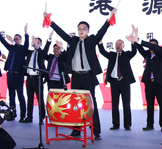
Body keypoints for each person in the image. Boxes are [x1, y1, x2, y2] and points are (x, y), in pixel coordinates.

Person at [49, 9, 117, 140]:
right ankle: (76, 131)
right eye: (79, 28)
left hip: (88, 76)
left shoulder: (92, 40)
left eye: (84, 29)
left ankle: (95, 131)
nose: (81, 31)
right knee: (75, 104)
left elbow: (102, 31)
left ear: (88, 30)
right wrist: (50, 22)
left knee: (91, 103)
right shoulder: (73, 40)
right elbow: (61, 32)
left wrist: (110, 17)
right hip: (76, 76)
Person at [134, 24, 162, 131]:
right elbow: (139, 47)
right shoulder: (146, 54)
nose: (152, 47)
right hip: (149, 83)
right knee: (149, 105)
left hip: (159, 83)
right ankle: (150, 125)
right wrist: (136, 36)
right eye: (150, 45)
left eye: (154, 45)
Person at [99, 37, 138, 130]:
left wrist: (133, 42)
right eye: (116, 44)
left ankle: (127, 124)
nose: (118, 46)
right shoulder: (112, 55)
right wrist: (100, 43)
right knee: (114, 104)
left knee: (126, 104)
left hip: (125, 82)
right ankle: (115, 124)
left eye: (120, 44)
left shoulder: (127, 54)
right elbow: (103, 52)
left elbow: (134, 52)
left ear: (123, 46)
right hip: (114, 82)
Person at [0, 23, 29, 123]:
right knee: (11, 95)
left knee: (20, 95)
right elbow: (4, 42)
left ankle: (23, 115)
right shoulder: (11, 48)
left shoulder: (22, 49)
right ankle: (12, 114)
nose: (16, 40)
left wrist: (26, 33)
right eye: (15, 39)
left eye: (17, 39)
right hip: (10, 74)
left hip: (18, 75)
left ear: (21, 40)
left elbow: (26, 45)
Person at [23, 35, 48, 124]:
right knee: (29, 98)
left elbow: (45, 52)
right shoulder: (30, 53)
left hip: (38, 78)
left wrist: (49, 39)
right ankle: (29, 116)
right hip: (29, 78)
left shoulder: (41, 53)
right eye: (34, 42)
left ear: (40, 44)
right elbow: (23, 49)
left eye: (37, 42)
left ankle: (41, 118)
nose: (35, 44)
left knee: (40, 98)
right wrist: (26, 34)